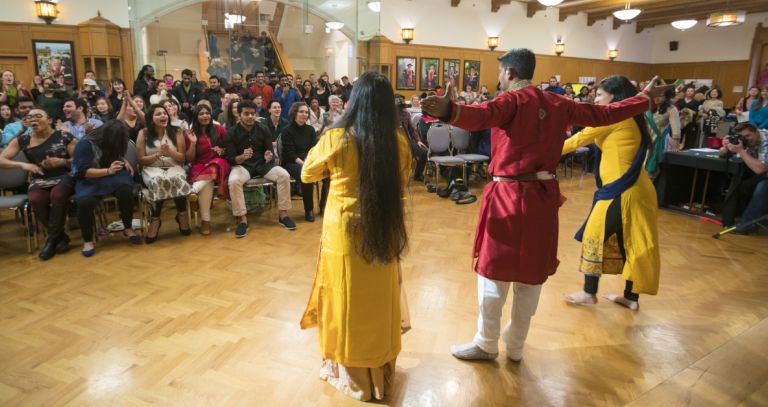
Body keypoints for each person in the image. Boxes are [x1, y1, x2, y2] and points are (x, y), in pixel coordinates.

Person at [420, 48, 673, 363]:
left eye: (500, 73)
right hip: (541, 199)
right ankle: (515, 347)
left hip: (508, 197)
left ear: (509, 73)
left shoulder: (509, 100)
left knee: (494, 272)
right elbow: (605, 114)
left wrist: (449, 111)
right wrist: (645, 98)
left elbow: (479, 116)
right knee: (531, 273)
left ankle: (486, 343)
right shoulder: (557, 102)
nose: (499, 79)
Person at [299, 71, 410, 402]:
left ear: (354, 103)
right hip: (383, 230)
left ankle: (352, 373)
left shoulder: (338, 139)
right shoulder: (399, 143)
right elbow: (402, 182)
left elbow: (307, 174)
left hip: (343, 234)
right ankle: (380, 370)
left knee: (345, 299)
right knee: (379, 298)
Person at [561, 75, 661, 311]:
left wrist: (537, 152)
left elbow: (575, 141)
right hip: (638, 189)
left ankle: (589, 293)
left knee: (593, 234)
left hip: (623, 191)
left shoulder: (612, 118)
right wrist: (644, 93)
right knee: (631, 243)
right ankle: (631, 298)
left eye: (599, 95)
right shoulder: (630, 116)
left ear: (615, 97)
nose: (595, 100)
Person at [0, 107, 76, 260]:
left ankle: (51, 240)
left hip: (64, 175)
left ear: (49, 120)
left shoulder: (65, 136)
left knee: (57, 194)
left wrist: (63, 161)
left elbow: (80, 160)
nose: (33, 119)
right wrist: (22, 165)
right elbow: (2, 159)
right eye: (30, 117)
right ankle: (59, 237)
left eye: (37, 116)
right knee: (35, 199)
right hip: (39, 177)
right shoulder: (23, 140)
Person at [225, 100, 296, 236]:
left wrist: (268, 155)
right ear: (239, 115)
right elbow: (231, 159)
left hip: (262, 164)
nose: (250, 116)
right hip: (243, 166)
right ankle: (243, 219)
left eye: (253, 113)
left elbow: (268, 150)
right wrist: (242, 156)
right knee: (233, 181)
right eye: (246, 114)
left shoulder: (263, 129)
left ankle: (283, 215)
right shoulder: (231, 133)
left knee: (284, 175)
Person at [72, 120, 140, 256]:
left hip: (112, 172)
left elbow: (115, 154)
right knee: (85, 203)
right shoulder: (84, 144)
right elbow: (83, 171)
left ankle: (127, 227)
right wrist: (108, 171)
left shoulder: (110, 141)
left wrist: (124, 161)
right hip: (90, 177)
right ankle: (88, 240)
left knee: (126, 191)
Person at [137, 104, 195, 244]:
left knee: (176, 179)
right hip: (152, 169)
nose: (163, 116)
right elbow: (141, 160)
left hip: (174, 166)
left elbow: (182, 158)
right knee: (158, 181)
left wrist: (169, 152)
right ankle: (155, 221)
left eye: (164, 113)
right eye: (158, 114)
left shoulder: (176, 132)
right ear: (151, 118)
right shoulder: (143, 133)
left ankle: (181, 216)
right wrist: (158, 154)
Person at [184, 104, 230, 235]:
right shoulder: (190, 133)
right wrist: (193, 143)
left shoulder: (219, 129)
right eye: (201, 114)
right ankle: (206, 220)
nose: (205, 116)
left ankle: (193, 190)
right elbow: (190, 158)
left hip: (219, 163)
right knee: (207, 182)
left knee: (214, 165)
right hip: (199, 166)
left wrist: (222, 150)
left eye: (207, 113)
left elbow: (230, 148)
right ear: (196, 117)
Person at [720, 122, 768, 235]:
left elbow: (760, 169)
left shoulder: (766, 140)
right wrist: (726, 147)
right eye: (742, 137)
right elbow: (721, 154)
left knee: (762, 187)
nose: (746, 139)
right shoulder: (745, 142)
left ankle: (748, 224)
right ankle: (759, 219)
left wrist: (741, 151)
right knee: (743, 186)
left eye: (748, 136)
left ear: (757, 132)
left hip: (763, 173)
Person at [280, 102, 318, 222]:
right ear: (294, 113)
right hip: (291, 162)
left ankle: (323, 206)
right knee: (305, 174)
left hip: (308, 161)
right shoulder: (287, 130)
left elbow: (313, 150)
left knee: (328, 172)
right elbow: (290, 154)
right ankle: (309, 209)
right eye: (301, 112)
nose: (304, 114)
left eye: (306, 112)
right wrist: (305, 164)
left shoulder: (311, 130)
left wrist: (311, 162)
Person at [645, 88, 681, 174]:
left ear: (667, 97)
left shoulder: (671, 109)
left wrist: (676, 146)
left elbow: (676, 127)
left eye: (660, 96)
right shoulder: (648, 107)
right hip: (646, 140)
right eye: (655, 96)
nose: (656, 98)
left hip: (660, 140)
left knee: (656, 167)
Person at [399, 101, 428, 182]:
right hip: (395, 142)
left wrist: (418, 140)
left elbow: (412, 130)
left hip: (408, 141)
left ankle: (418, 174)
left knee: (424, 151)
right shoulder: (389, 114)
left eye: (401, 101)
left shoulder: (407, 114)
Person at [676, 84, 700, 149]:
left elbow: (695, 112)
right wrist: (680, 112)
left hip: (690, 121)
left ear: (693, 93)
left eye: (691, 91)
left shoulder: (696, 102)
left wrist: (688, 112)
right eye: (688, 91)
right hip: (680, 120)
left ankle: (686, 149)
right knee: (679, 135)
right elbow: (676, 109)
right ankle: (676, 148)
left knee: (688, 136)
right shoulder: (680, 100)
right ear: (686, 92)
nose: (689, 92)